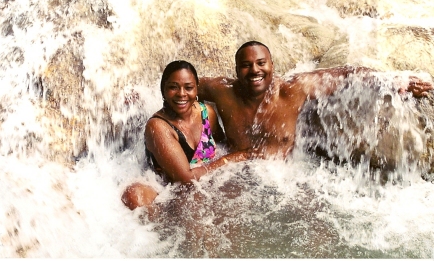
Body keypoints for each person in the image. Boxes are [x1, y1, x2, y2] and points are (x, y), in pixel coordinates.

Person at [198, 40, 434, 159]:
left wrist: (394, 80)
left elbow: (345, 75)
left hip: (281, 180)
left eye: (261, 63)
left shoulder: (293, 89)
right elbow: (185, 86)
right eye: (246, 66)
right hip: (234, 173)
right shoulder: (222, 90)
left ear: (272, 66)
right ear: (237, 70)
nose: (255, 71)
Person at [122, 60, 249, 210]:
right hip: (167, 191)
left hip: (205, 185)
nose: (181, 94)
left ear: (196, 90)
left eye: (188, 87)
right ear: (163, 90)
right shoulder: (158, 127)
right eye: (173, 88)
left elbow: (222, 145)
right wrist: (231, 159)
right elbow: (186, 179)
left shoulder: (206, 113)